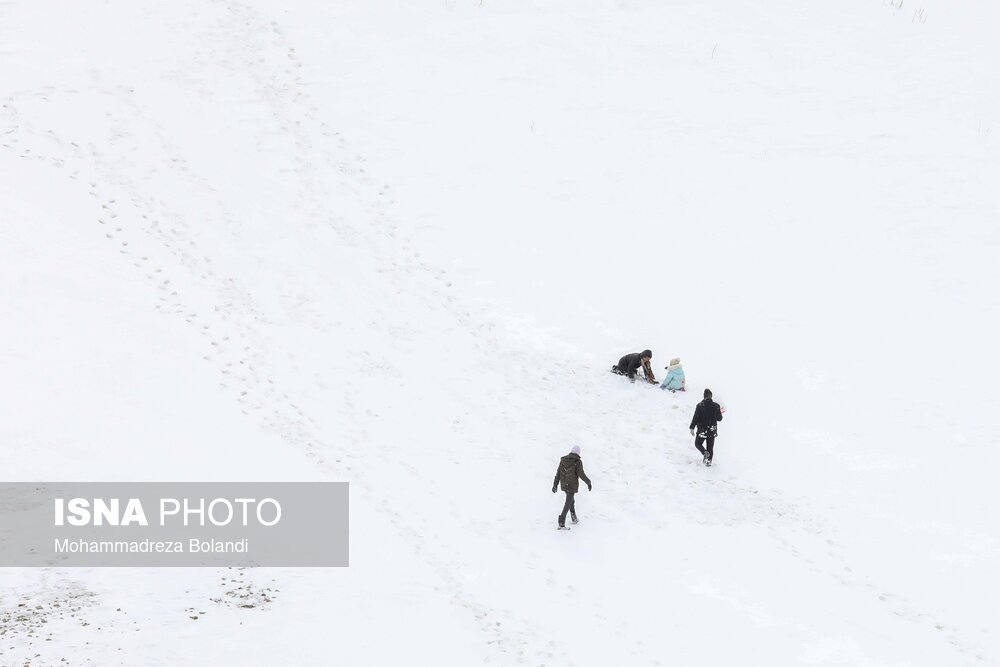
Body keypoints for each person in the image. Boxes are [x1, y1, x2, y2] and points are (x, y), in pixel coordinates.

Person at [551, 445, 592, 529]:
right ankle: (561, 522)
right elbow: (581, 474)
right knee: (568, 502)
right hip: (572, 485)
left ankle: (574, 518)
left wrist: (555, 485)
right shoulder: (577, 461)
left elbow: (558, 473)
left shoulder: (563, 460)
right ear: (578, 453)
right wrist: (588, 482)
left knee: (571, 501)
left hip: (564, 484)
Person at [689, 388, 723, 466]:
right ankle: (708, 463)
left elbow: (696, 417)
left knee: (698, 443)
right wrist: (719, 412)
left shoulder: (700, 405)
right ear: (711, 396)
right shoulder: (716, 406)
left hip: (702, 430)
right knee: (710, 447)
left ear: (704, 396)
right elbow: (719, 419)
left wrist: (692, 427)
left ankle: (704, 452)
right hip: (712, 430)